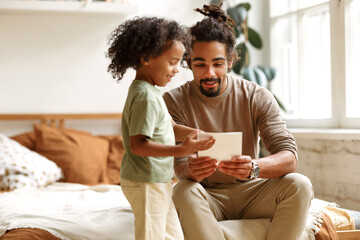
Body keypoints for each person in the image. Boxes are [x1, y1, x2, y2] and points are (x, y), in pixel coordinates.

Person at [163, 2, 314, 240]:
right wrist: (191, 170)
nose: (210, 73)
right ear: (188, 62)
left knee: (300, 184)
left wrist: (254, 167)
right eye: (200, 64)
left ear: (231, 61)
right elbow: (180, 166)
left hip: (252, 192)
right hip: (207, 195)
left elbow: (289, 157)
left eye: (218, 63)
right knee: (182, 190)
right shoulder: (173, 101)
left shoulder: (256, 95)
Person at [107, 17, 215, 240]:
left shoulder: (151, 92)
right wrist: (181, 150)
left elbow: (171, 127)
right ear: (146, 58)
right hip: (145, 181)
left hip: (158, 180)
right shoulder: (144, 96)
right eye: (173, 62)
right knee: (152, 235)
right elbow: (138, 145)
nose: (177, 70)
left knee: (172, 235)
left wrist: (198, 135)